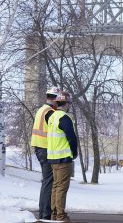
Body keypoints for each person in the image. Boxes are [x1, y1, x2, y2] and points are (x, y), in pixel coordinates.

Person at [46, 91, 78, 222]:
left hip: (53, 158)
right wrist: (74, 152)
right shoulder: (64, 118)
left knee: (55, 186)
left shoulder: (52, 117)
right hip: (63, 158)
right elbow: (71, 138)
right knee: (61, 188)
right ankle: (60, 215)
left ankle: (55, 213)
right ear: (67, 103)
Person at [31, 86, 60, 220]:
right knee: (48, 182)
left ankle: (44, 213)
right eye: (58, 100)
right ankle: (45, 214)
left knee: (46, 181)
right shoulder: (50, 113)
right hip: (45, 149)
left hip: (39, 148)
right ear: (54, 99)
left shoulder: (41, 110)